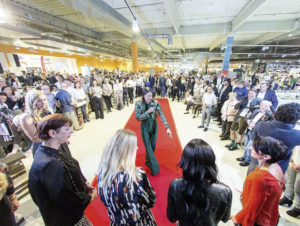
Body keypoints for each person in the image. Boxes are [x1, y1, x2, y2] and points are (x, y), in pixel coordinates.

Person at [28, 114, 96, 226]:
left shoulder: (48, 150)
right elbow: (65, 199)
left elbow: (71, 165)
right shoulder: (50, 165)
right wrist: (88, 198)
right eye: (67, 129)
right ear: (52, 133)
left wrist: (84, 183)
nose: (71, 132)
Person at [167, 139, 232, 225]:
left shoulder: (175, 185)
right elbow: (225, 218)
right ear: (211, 162)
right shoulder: (225, 191)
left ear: (185, 162)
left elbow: (172, 217)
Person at [98, 129, 156, 225]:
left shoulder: (102, 174)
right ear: (126, 151)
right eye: (134, 146)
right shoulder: (136, 175)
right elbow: (151, 201)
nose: (137, 148)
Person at [232, 136, 288, 226]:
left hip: (259, 220)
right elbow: (269, 193)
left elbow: (252, 208)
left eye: (255, 148)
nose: (251, 148)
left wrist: (238, 218)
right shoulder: (276, 167)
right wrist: (247, 192)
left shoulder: (261, 177)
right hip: (270, 215)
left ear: (266, 156)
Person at [248, 103, 300, 174]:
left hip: (258, 161)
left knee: (251, 181)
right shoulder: (296, 135)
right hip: (277, 168)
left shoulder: (261, 125)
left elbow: (253, 138)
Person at [135, 88, 172, 176]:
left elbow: (161, 114)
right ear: (143, 95)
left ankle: (147, 161)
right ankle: (155, 168)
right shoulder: (138, 103)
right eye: (149, 96)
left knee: (152, 146)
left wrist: (167, 128)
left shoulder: (155, 103)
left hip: (154, 126)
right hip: (145, 127)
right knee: (148, 147)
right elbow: (137, 117)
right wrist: (148, 112)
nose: (151, 97)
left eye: (152, 95)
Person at [19, 90, 50, 156]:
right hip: (43, 149)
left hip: (54, 144)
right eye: (39, 101)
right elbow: (35, 138)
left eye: (44, 99)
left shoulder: (46, 112)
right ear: (32, 102)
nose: (43, 102)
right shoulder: (26, 117)